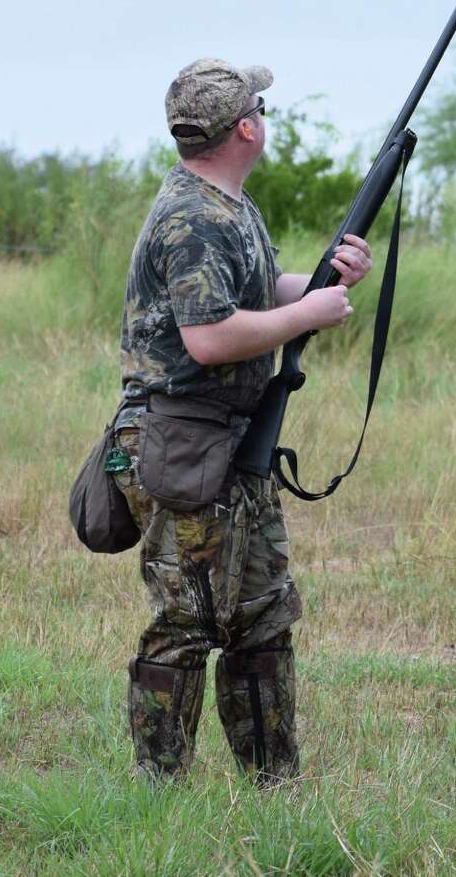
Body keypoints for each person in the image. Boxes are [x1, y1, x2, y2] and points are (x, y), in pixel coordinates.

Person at [110, 58, 372, 782]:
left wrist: (323, 282)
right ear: (247, 128)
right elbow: (211, 336)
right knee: (188, 619)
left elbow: (253, 294)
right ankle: (156, 788)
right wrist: (305, 315)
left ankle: (273, 785)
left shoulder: (225, 204)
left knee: (262, 616)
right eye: (260, 105)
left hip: (231, 440)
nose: (265, 114)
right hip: (185, 439)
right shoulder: (194, 217)